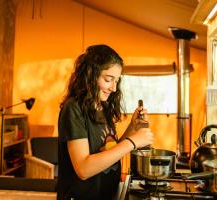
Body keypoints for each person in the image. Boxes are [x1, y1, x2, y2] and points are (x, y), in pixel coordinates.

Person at [57, 44, 154, 200]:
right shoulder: (74, 108)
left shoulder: (103, 106)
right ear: (90, 75)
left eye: (117, 81)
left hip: (108, 193)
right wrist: (132, 142)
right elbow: (84, 169)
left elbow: (109, 152)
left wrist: (132, 127)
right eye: (108, 80)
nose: (114, 88)